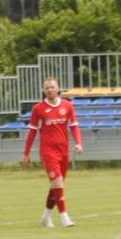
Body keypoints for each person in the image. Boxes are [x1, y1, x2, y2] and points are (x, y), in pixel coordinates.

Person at [22, 76, 83, 226]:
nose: (50, 90)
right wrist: (26, 153)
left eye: (52, 87)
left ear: (57, 89)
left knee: (57, 185)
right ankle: (64, 217)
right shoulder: (38, 109)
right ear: (43, 90)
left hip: (64, 151)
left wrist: (78, 143)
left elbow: (74, 126)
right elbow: (32, 132)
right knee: (58, 183)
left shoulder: (67, 106)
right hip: (48, 152)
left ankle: (45, 216)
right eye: (47, 87)